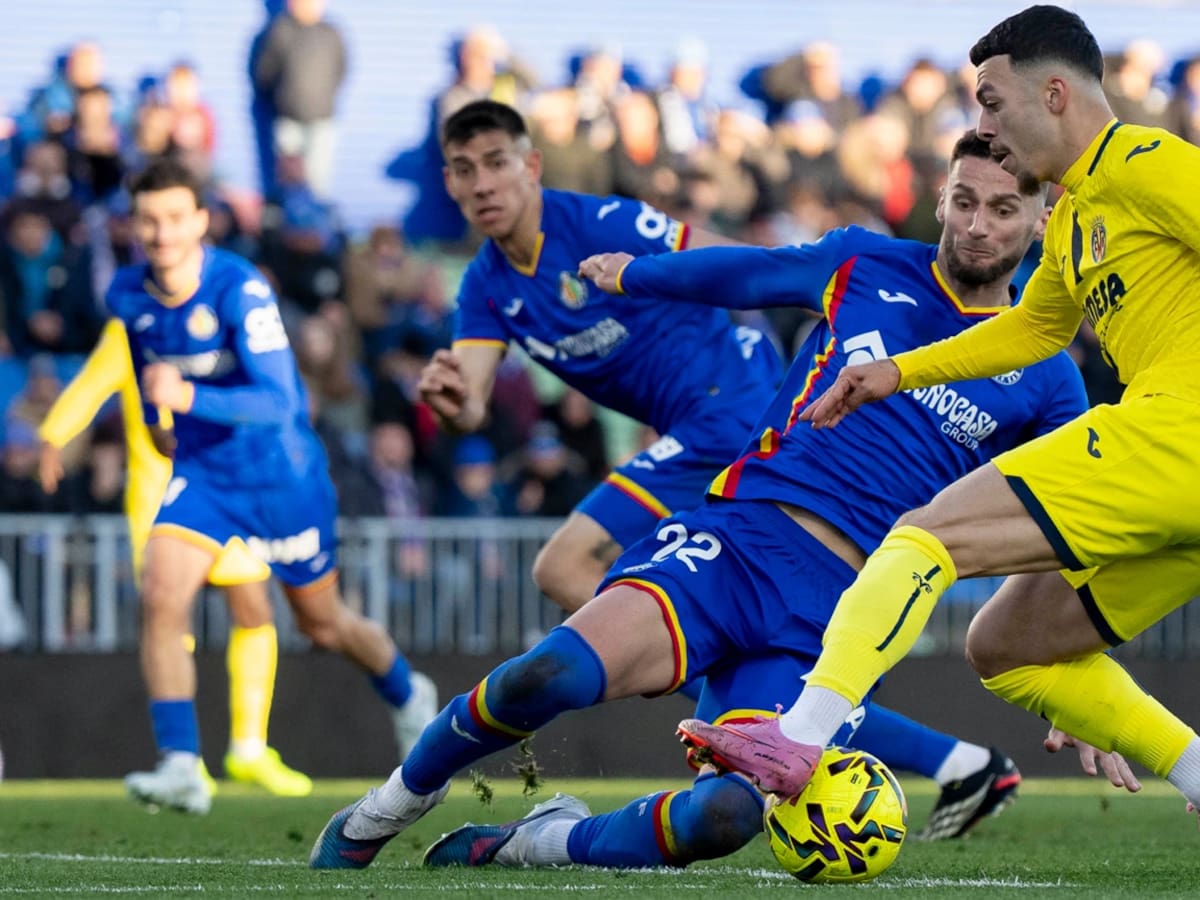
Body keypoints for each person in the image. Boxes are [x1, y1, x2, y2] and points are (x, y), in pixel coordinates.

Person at [308, 129, 1114, 872]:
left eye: (1004, 208)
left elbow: (1056, 519)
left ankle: (530, 843)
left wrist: (1069, 673)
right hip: (737, 540)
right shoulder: (865, 265)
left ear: (1041, 221)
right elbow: (746, 270)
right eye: (964, 201)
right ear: (940, 199)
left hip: (838, 619)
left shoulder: (1048, 378)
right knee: (545, 676)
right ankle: (384, 811)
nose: (977, 224)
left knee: (723, 820)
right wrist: (638, 272)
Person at [410, 100, 1011, 832]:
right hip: (691, 428)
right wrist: (451, 400)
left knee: (564, 568)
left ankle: (776, 716)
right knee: (585, 583)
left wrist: (659, 283)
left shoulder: (594, 222)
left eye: (497, 164)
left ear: (531, 166)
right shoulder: (484, 286)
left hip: (731, 408)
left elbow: (723, 256)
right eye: (465, 172)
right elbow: (470, 401)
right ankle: (947, 760)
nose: (484, 185)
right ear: (447, 184)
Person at [675, 5, 1200, 819]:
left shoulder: (1141, 160)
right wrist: (895, 371)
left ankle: (799, 735)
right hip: (1177, 475)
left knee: (925, 535)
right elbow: (1033, 329)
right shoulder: (1072, 221)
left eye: (992, 100)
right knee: (1009, 649)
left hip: (1180, 430)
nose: (982, 118)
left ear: (1054, 94)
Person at [110, 158, 437, 815]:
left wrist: (188, 397)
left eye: (175, 218)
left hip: (281, 477)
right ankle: (181, 766)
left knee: (322, 624)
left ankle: (410, 694)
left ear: (201, 221)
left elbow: (281, 400)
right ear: (134, 224)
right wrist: (157, 426)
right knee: (160, 594)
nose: (162, 232)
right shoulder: (125, 293)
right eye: (149, 219)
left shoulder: (239, 289)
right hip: (204, 477)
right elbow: (150, 374)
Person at [37, 316, 313, 797]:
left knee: (254, 607)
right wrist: (53, 435)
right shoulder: (128, 330)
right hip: (160, 498)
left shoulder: (222, 322)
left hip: (225, 491)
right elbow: (90, 385)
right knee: (170, 616)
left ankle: (248, 749)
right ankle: (183, 758)